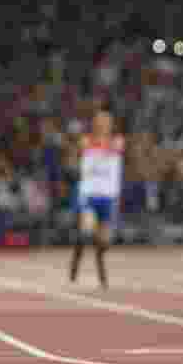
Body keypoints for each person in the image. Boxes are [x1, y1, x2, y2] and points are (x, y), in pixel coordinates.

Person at [69, 108, 124, 290]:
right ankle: (76, 260)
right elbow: (81, 148)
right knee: (86, 231)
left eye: (107, 122)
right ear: (94, 124)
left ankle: (100, 269)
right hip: (90, 195)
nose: (103, 125)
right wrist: (90, 147)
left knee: (104, 241)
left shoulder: (117, 141)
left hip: (108, 197)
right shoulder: (86, 141)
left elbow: (118, 147)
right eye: (100, 121)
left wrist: (104, 145)